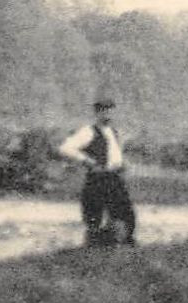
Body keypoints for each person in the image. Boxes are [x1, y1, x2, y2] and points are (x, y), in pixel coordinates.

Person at [58, 98, 137, 247]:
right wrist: (86, 160)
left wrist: (122, 163)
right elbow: (66, 148)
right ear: (97, 113)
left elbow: (114, 153)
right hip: (98, 177)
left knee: (125, 212)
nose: (108, 114)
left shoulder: (115, 132)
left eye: (111, 111)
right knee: (94, 212)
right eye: (104, 111)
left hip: (114, 176)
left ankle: (124, 243)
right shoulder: (88, 131)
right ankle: (94, 245)